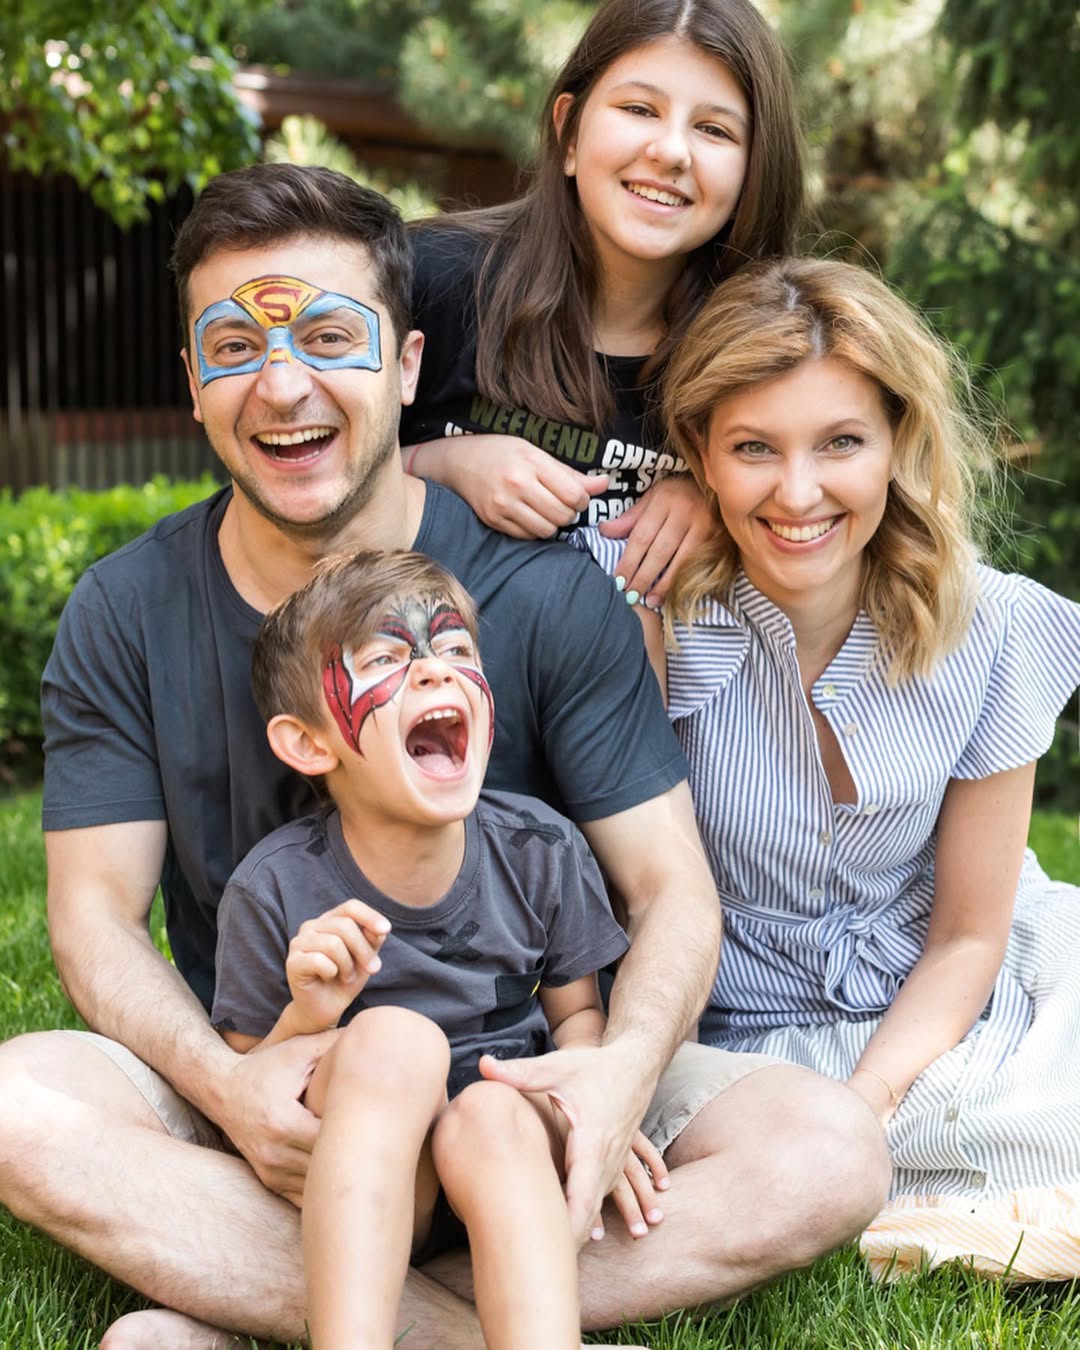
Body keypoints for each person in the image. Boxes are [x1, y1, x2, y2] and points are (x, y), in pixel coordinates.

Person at [0, 165, 889, 1350]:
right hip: (278, 1070)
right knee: (15, 1107)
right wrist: (230, 1091)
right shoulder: (127, 608)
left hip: (529, 1092)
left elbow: (672, 887)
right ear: (194, 387)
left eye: (328, 337)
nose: (282, 386)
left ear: (409, 368)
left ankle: (294, 1314)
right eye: (233, 347)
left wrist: (617, 1074)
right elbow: (93, 920)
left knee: (826, 1153)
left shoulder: (550, 597)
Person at [576, 255, 1080, 1280]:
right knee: (760, 1145)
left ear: (896, 439)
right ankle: (928, 1199)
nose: (798, 493)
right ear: (697, 456)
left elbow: (969, 934)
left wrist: (867, 1105)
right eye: (754, 448)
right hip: (731, 1024)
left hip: (934, 1006)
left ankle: (899, 1180)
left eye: (841, 443)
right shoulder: (643, 606)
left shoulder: (993, 626)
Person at [214, 547, 662, 1349]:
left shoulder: (542, 849)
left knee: (489, 1115)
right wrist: (310, 1014)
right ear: (311, 744)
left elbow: (577, 1023)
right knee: (395, 1041)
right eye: (387, 658)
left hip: (510, 1153)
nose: (435, 673)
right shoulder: (273, 889)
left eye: (456, 651)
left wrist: (595, 1111)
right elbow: (247, 1091)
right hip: (377, 1176)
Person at [401, 0, 807, 606]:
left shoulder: (770, 347)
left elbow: (827, 495)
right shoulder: (431, 277)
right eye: (639, 109)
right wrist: (439, 464)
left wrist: (723, 495)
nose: (672, 152)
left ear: (756, 167)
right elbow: (307, 474)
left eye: (714, 130)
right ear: (569, 131)